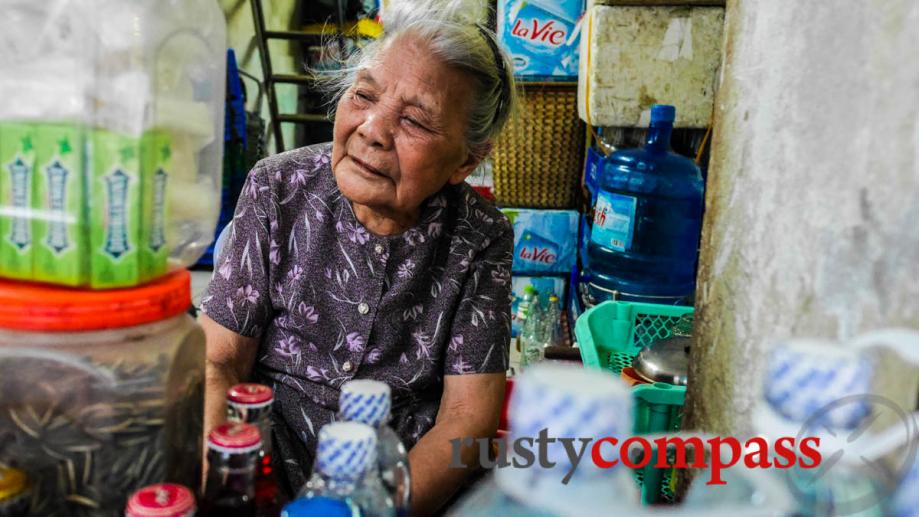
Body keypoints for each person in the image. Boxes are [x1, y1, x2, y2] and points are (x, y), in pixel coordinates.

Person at [199, 2, 517, 514]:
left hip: (400, 486)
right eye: (364, 95)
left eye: (414, 120)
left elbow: (466, 420)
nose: (372, 128)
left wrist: (370, 509)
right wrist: (224, 486)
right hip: (262, 477)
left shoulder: (480, 237)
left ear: (466, 159)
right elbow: (220, 359)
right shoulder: (278, 188)